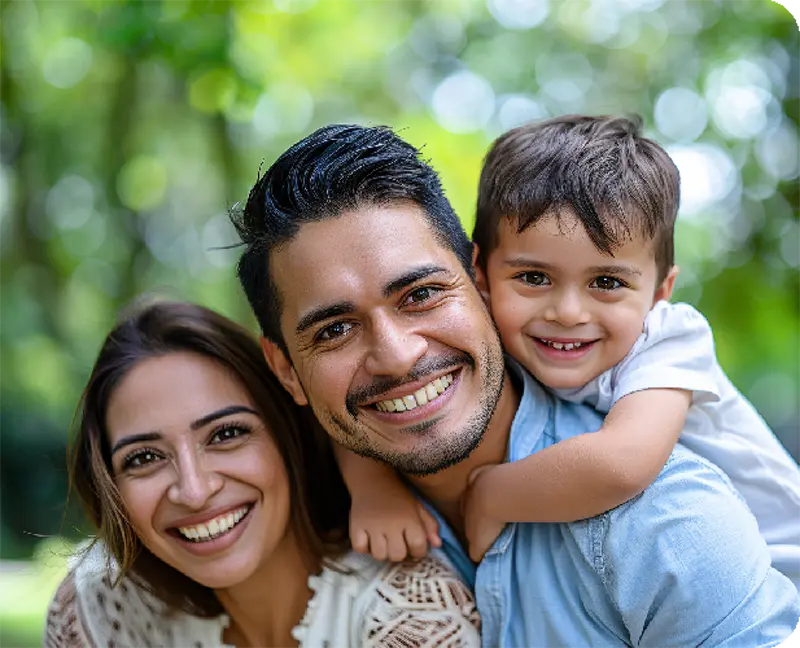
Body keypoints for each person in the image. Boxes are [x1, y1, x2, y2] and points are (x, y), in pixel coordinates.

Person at [232, 123, 800, 646]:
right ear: (286, 370)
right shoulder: (310, 530)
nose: (398, 357)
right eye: (335, 329)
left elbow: (622, 466)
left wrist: (490, 494)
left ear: (474, 281)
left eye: (422, 294)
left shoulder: (663, 521)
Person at [45, 300, 480, 647]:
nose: (194, 492)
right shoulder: (98, 612)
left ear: (287, 432)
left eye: (227, 433)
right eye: (142, 458)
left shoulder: (411, 618)